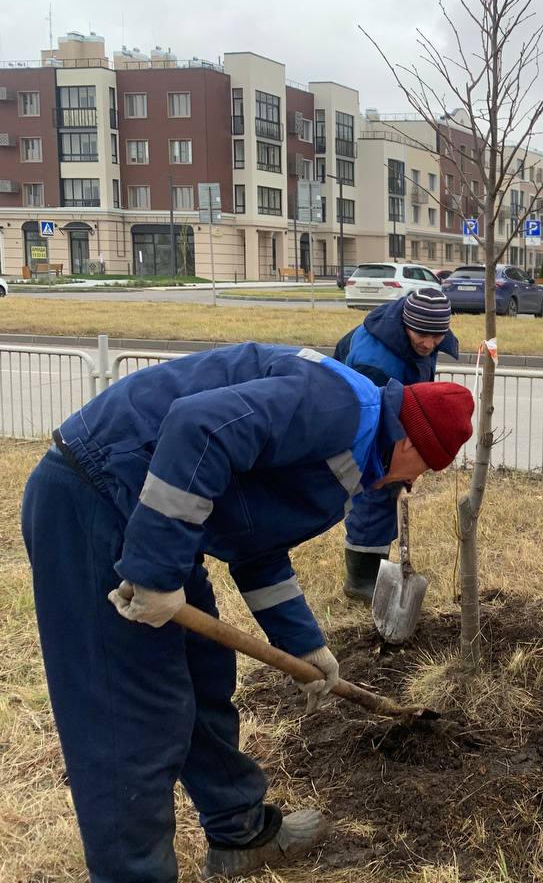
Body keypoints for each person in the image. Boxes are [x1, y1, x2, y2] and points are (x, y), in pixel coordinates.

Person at [20, 342, 474, 882]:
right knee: (130, 717)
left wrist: (305, 646)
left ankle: (240, 832)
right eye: (424, 466)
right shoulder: (338, 408)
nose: (413, 482)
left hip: (157, 511)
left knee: (204, 673)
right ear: (408, 440)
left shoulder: (355, 445)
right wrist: (155, 573)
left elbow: (253, 539)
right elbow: (199, 427)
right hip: (96, 496)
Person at [333, 289, 459, 601]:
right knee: (374, 487)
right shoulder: (374, 361)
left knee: (391, 488)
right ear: (406, 324)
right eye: (422, 336)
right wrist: (398, 460)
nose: (429, 344)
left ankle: (377, 564)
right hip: (356, 415)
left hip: (388, 403)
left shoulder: (422, 326)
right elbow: (372, 421)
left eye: (437, 336)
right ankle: (360, 581)